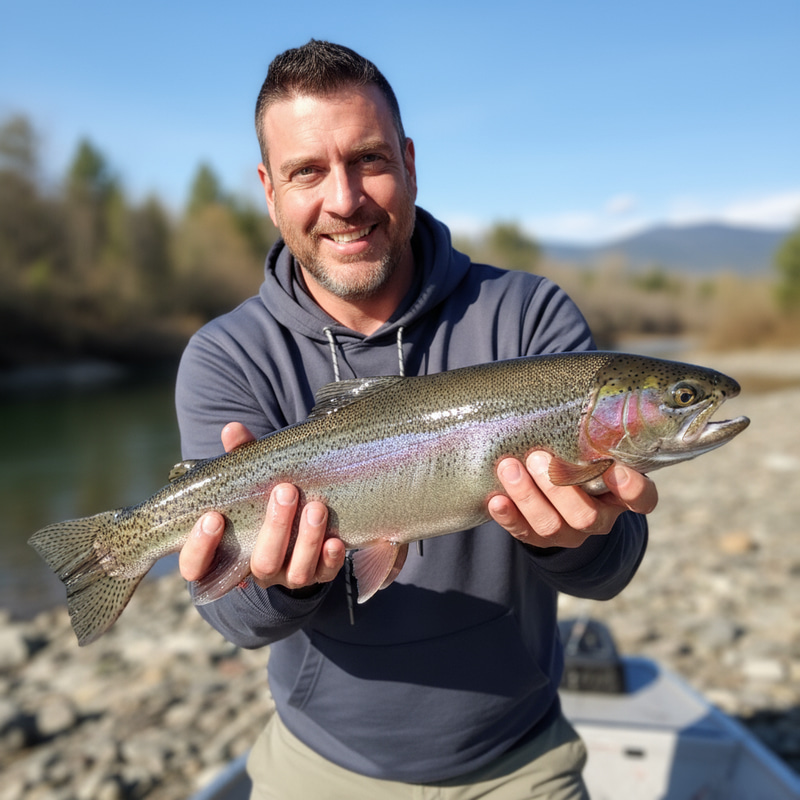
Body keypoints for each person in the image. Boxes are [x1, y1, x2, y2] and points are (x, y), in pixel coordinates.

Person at [175, 40, 656, 800]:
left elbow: (614, 566)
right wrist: (285, 584)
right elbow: (235, 618)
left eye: (367, 159)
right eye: (307, 171)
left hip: (521, 761)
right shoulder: (227, 356)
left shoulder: (529, 318)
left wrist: (578, 542)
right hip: (320, 767)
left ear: (408, 161)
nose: (343, 199)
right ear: (270, 191)